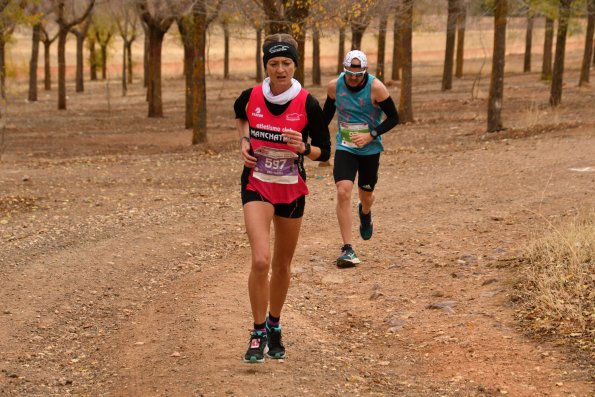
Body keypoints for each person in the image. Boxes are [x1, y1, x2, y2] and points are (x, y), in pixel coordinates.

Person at [234, 33, 331, 363]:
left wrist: (303, 147)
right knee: (260, 260)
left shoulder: (308, 103)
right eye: (273, 63)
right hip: (257, 184)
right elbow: (241, 117)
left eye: (286, 63)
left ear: (294, 65)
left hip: (291, 188)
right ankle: (258, 330)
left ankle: (275, 324)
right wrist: (245, 142)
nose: (280, 69)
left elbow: (324, 152)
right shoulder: (250, 96)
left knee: (281, 264)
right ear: (265, 66)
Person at [323, 50, 400, 268]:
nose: (354, 78)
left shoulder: (376, 88)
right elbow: (324, 118)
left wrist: (371, 135)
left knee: (366, 194)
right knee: (343, 190)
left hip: (370, 149)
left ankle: (365, 212)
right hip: (345, 147)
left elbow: (394, 117)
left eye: (358, 74)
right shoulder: (334, 87)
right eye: (349, 74)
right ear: (343, 70)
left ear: (365, 71)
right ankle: (347, 248)